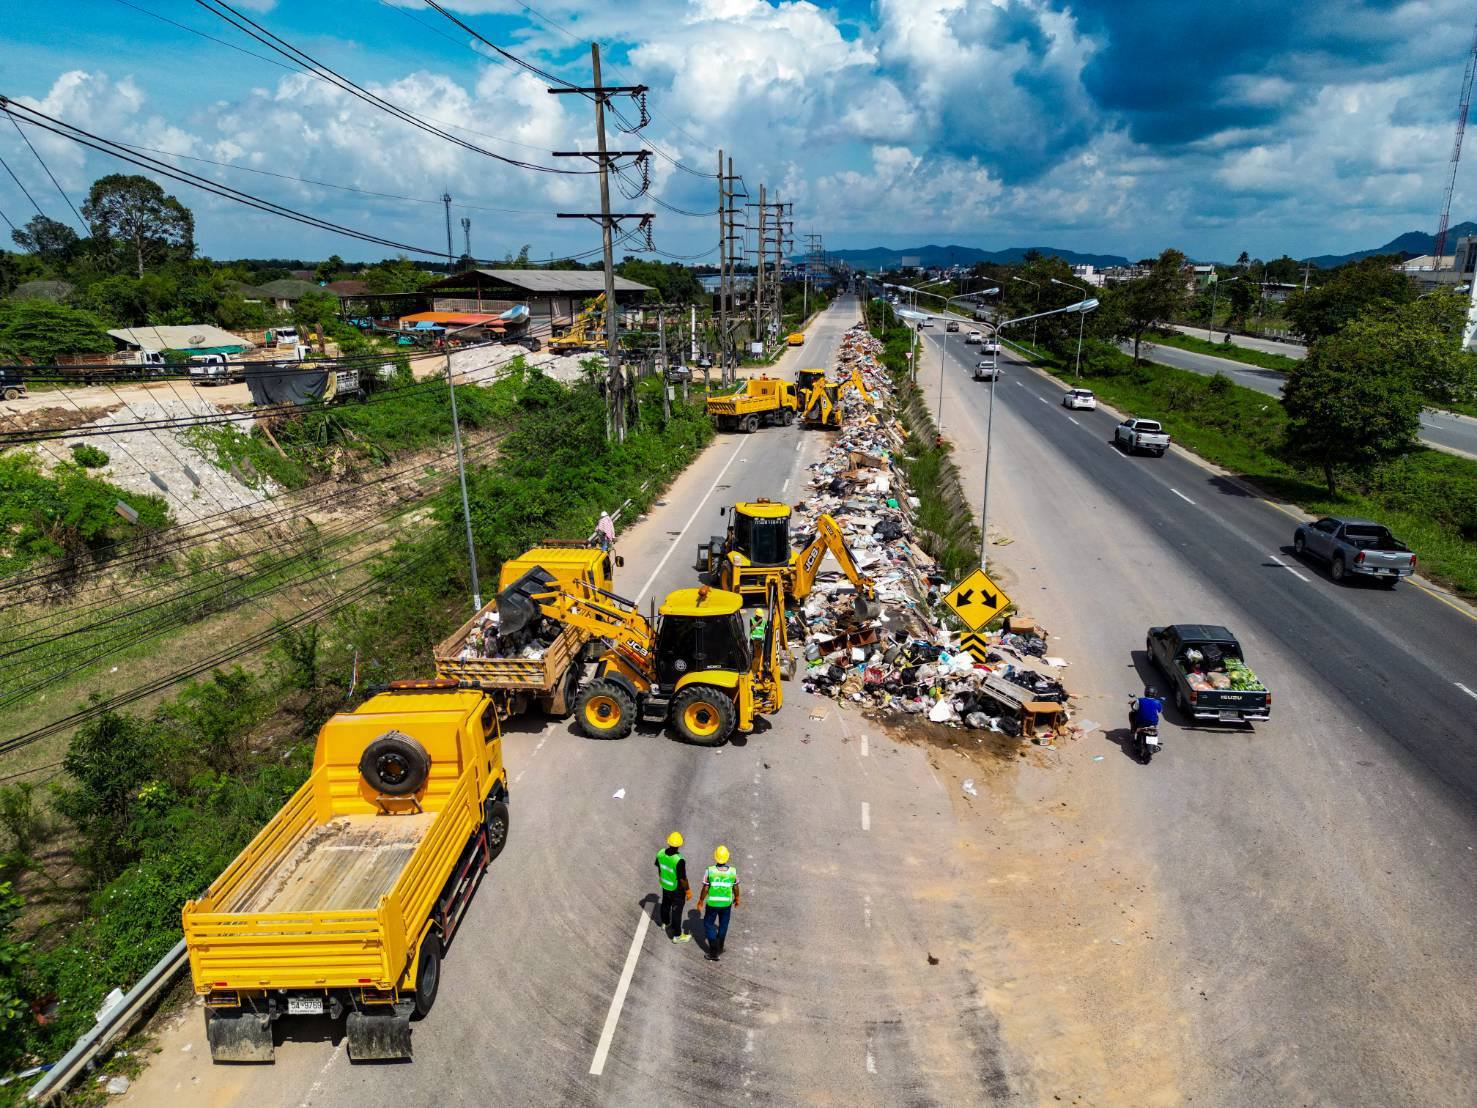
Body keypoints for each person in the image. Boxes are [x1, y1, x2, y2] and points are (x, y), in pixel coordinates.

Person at [698, 845, 740, 961]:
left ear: (715, 857)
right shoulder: (733, 872)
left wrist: (701, 900)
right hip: (726, 904)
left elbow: (705, 888)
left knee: (708, 924)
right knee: (723, 925)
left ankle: (714, 952)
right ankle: (720, 947)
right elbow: (735, 887)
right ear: (727, 857)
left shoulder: (710, 871)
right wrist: (737, 898)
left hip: (712, 904)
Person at [655, 831, 691, 943]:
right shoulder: (679, 860)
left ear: (668, 842)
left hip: (665, 884)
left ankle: (665, 923)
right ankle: (677, 936)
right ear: (679, 845)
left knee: (665, 904)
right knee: (676, 911)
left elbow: (659, 867)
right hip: (676, 889)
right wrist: (688, 890)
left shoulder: (660, 853)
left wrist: (662, 878)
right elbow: (682, 879)